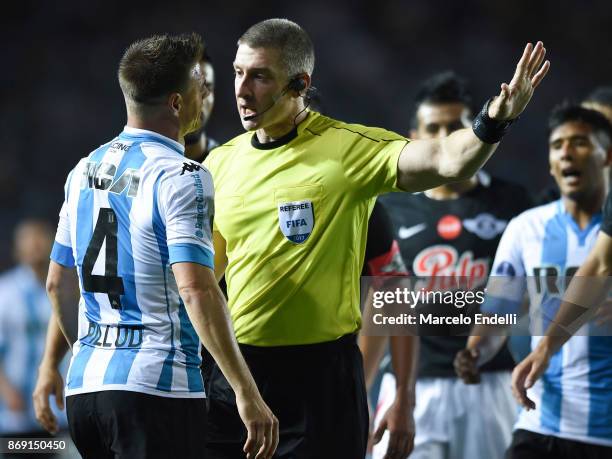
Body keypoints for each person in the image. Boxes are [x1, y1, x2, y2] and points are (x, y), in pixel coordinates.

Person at [203, 18, 548, 458]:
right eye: (237, 72)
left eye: (260, 76)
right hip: (237, 376)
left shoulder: (351, 151)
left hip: (322, 381)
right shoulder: (220, 164)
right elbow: (206, 280)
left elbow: (447, 161)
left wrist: (496, 117)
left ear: (299, 84)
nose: (242, 89)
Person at [43, 32, 277, 459]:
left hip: (86, 391)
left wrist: (88, 353)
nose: (205, 95)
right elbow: (196, 289)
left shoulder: (83, 170)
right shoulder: (182, 175)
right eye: (198, 87)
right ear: (175, 102)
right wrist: (246, 391)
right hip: (158, 390)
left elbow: (58, 282)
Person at [370, 72, 532, 459]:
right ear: (413, 136)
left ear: (472, 129)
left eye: (454, 126)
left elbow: (532, 297)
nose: (444, 136)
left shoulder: (512, 202)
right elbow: (373, 308)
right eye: (432, 127)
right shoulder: (388, 206)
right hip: (409, 384)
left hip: (489, 384)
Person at [457, 104, 612, 458]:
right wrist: (475, 351)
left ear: (608, 156)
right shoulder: (526, 228)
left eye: (581, 143)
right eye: (558, 145)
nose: (567, 152)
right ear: (550, 163)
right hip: (541, 419)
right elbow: (499, 311)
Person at [0, 220, 68, 458]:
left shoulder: (68, 290)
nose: (35, 245)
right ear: (17, 248)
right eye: (28, 240)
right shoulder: (5, 293)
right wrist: (6, 391)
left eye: (41, 238)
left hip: (63, 413)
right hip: (16, 415)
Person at [184, 47, 219, 163]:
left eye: (206, 87)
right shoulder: (141, 165)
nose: (198, 99)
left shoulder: (230, 167)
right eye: (188, 88)